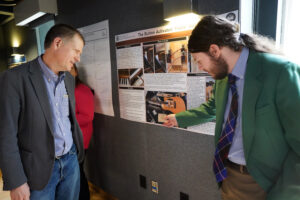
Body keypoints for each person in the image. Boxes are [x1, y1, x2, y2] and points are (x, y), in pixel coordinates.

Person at [164, 15, 300, 200]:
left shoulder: (280, 71)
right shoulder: (223, 77)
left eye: (198, 59)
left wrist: (284, 194)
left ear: (214, 50)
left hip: (268, 182)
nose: (200, 66)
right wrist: (179, 118)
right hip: (229, 174)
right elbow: (213, 107)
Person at [0, 24, 85, 200]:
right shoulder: (14, 79)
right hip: (37, 170)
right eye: (76, 51)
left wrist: (76, 155)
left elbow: (68, 120)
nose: (78, 58)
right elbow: (6, 134)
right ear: (58, 43)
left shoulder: (68, 78)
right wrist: (16, 181)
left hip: (70, 162)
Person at [70, 64, 95, 200]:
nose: (68, 72)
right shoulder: (68, 88)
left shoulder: (82, 90)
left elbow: (87, 117)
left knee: (77, 172)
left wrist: (66, 118)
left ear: (76, 71)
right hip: (70, 138)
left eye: (71, 70)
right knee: (74, 173)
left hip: (80, 139)